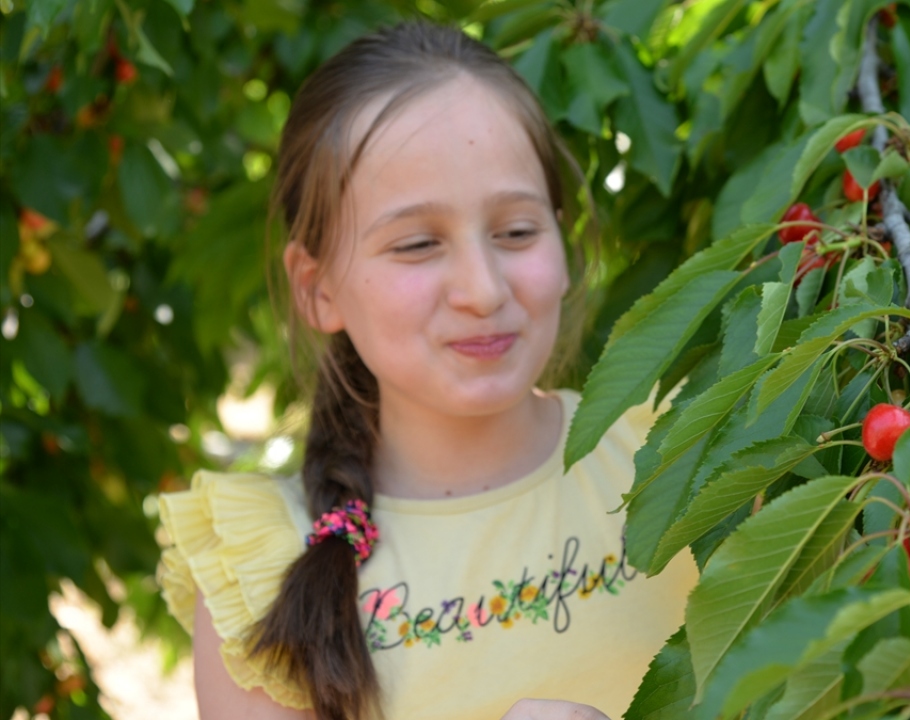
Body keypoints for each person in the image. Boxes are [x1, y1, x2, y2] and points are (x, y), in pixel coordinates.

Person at [155, 22, 698, 720]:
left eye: (517, 231)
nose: (483, 288)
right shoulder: (264, 570)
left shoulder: (683, 453)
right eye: (416, 244)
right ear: (318, 287)